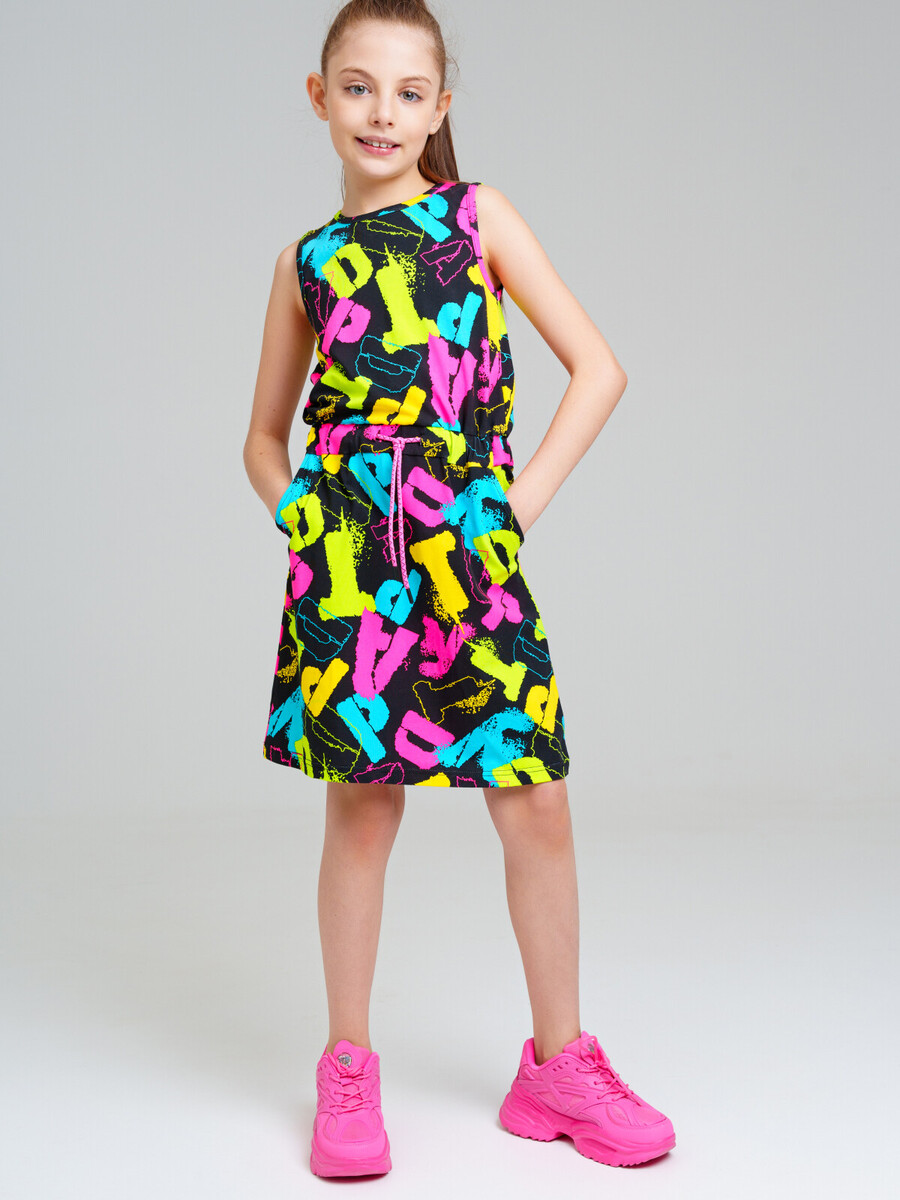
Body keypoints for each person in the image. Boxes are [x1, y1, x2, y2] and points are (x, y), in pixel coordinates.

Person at [243, 0, 675, 1179]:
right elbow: (264, 439)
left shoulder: (479, 219)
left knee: (536, 802)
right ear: (320, 96)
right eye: (359, 86)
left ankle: (559, 1066)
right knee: (360, 810)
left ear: (440, 106)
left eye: (408, 91)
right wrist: (305, 519)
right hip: (351, 567)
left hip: (467, 557)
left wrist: (513, 509)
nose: (382, 112)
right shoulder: (304, 262)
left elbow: (599, 368)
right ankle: (347, 1068)